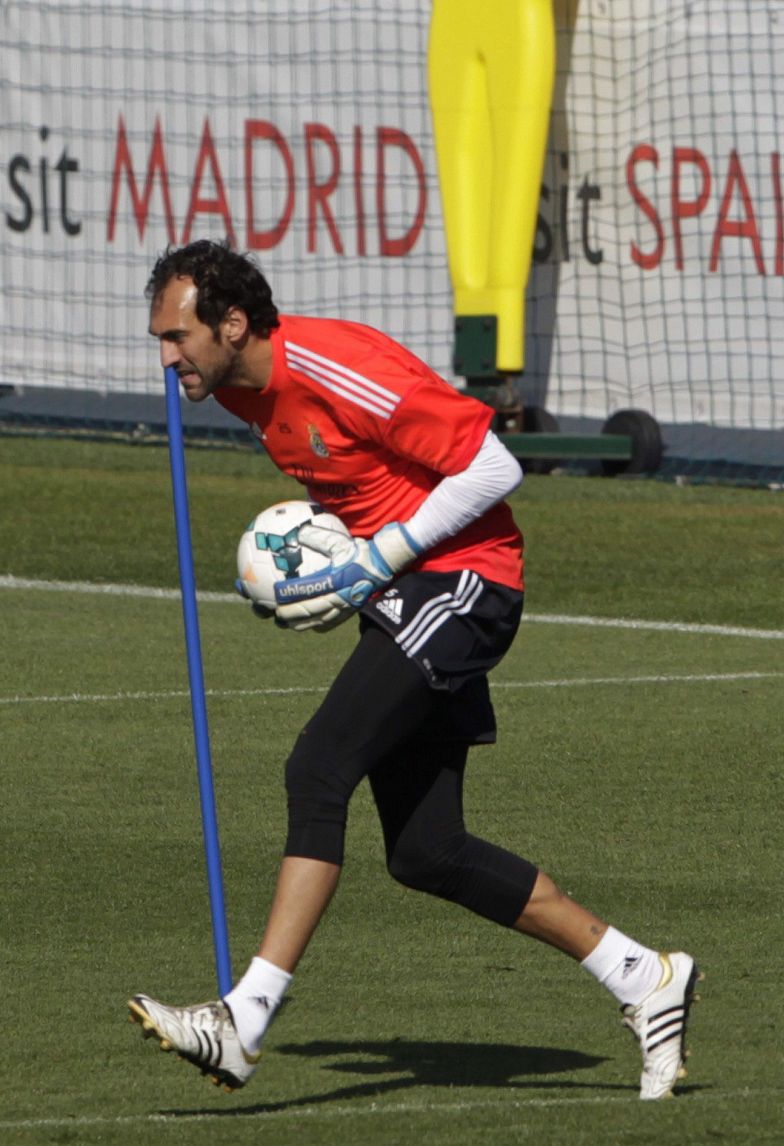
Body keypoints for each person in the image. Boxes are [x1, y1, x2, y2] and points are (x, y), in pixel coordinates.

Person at [130, 239, 700, 1099]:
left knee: (318, 767)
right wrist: (332, 568)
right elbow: (364, 487)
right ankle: (643, 977)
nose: (166, 356)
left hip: (465, 583)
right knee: (427, 852)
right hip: (404, 591)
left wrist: (376, 556)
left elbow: (494, 466)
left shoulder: (332, 363)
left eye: (177, 337)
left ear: (233, 323)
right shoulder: (243, 397)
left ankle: (243, 1022)